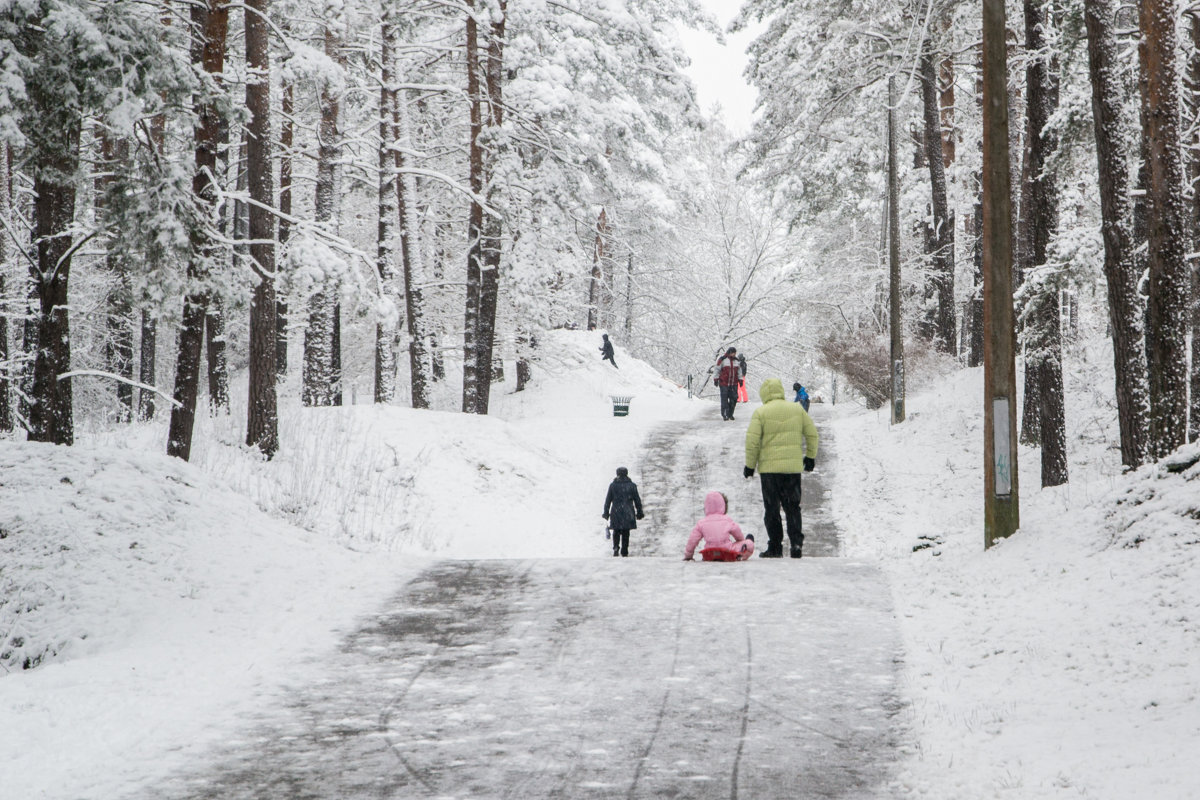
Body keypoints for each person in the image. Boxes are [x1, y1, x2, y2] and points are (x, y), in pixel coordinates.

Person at [744, 378, 819, 558]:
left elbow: (752, 442)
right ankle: (796, 544)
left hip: (769, 472)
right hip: (792, 470)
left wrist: (749, 465)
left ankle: (775, 547)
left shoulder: (761, 412)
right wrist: (810, 456)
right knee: (793, 507)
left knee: (772, 509)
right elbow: (812, 434)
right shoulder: (797, 410)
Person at [683, 491, 755, 561]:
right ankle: (740, 554)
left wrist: (688, 555)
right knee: (749, 544)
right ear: (723, 505)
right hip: (726, 552)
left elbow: (692, 540)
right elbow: (738, 535)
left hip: (709, 553)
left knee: (710, 550)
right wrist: (741, 541)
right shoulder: (727, 520)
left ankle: (713, 556)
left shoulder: (701, 523)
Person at [603, 466, 643, 556]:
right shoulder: (632, 485)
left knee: (616, 531)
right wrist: (639, 512)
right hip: (628, 511)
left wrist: (606, 512)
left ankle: (616, 547)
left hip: (616, 511)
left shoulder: (613, 486)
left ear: (617, 474)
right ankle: (624, 550)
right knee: (626, 531)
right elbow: (637, 500)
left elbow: (608, 500)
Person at [715, 347, 741, 421]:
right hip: (724, 383)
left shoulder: (737, 361)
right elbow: (717, 369)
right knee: (724, 400)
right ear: (729, 352)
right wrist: (716, 379)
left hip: (734, 383)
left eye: (735, 353)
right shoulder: (722, 359)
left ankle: (730, 413)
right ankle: (725, 414)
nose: (734, 354)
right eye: (733, 353)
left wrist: (741, 379)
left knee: (734, 399)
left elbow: (739, 371)